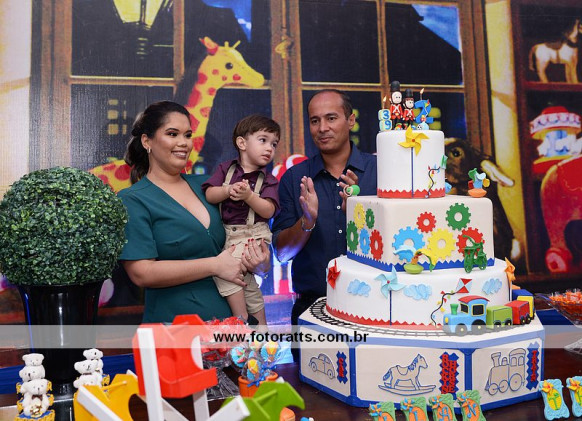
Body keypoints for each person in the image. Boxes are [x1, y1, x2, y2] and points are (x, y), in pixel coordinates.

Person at [118, 101, 269, 323]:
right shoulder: (133, 199)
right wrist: (214, 265)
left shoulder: (209, 187)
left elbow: (245, 238)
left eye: (188, 135)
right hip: (175, 329)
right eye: (172, 134)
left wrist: (260, 264)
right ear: (147, 141)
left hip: (234, 329)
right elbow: (141, 273)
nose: (183, 143)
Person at [271, 89, 377, 360]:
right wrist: (307, 221)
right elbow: (282, 253)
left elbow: (401, 241)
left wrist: (359, 212)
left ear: (350, 120)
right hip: (312, 311)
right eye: (315, 120)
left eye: (331, 118)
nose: (322, 128)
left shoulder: (379, 172)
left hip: (375, 309)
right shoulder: (295, 178)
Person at [202, 114, 280, 327]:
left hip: (253, 234)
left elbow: (269, 210)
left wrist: (249, 196)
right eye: (263, 140)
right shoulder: (225, 169)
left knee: (225, 271)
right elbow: (210, 194)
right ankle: (262, 332)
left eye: (274, 144)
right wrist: (227, 190)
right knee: (247, 285)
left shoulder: (268, 180)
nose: (269, 148)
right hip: (230, 234)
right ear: (242, 143)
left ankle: (242, 320)